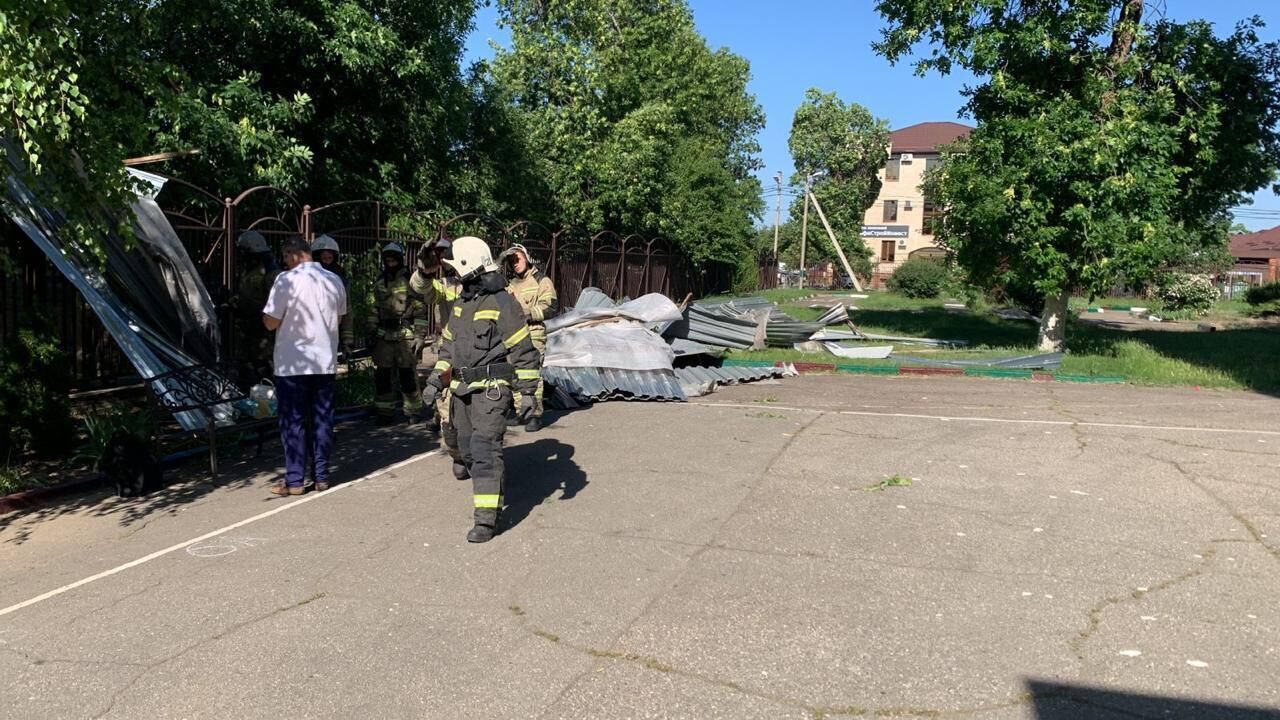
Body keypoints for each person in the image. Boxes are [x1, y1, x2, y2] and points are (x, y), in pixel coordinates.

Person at [421, 236, 541, 543]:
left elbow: (524, 351)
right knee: (464, 446)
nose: (451, 274)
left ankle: (487, 519)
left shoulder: (502, 302)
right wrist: (436, 379)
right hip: (461, 389)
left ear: (468, 265)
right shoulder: (462, 303)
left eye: (454, 267)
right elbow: (447, 350)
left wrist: (527, 392)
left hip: (491, 390)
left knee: (485, 449)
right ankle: (491, 480)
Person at [262, 236, 348, 495]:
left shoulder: (286, 280)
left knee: (293, 421)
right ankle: (321, 476)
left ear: (293, 254)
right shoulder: (334, 280)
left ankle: (295, 481)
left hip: (292, 363)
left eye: (285, 257)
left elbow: (270, 322)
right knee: (322, 419)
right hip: (324, 361)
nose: (284, 262)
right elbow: (340, 318)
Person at [408, 238, 467, 478]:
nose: (443, 259)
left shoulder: (476, 281)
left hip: (478, 350)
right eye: (439, 255)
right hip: (449, 351)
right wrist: (424, 271)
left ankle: (481, 452)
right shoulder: (442, 284)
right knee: (447, 406)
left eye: (447, 254)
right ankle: (457, 454)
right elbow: (422, 289)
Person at [499, 243, 557, 431]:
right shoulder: (511, 285)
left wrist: (527, 313)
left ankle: (535, 414)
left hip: (533, 334)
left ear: (527, 256)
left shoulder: (542, 281)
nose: (514, 264)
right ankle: (520, 411)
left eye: (517, 259)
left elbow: (551, 308)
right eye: (510, 261)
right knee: (514, 374)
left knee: (532, 373)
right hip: (514, 335)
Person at [366, 242, 425, 424]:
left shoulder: (410, 281)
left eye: (393, 259)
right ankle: (385, 412)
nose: (390, 262)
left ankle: (413, 412)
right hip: (384, 337)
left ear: (400, 260)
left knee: (407, 376)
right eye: (387, 259)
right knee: (383, 377)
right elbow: (373, 309)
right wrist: (371, 333)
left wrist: (420, 336)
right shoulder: (379, 282)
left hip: (404, 337)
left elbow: (420, 310)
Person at [231, 230, 279, 385]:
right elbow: (248, 294)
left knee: (263, 372)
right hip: (247, 332)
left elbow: (275, 304)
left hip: (263, 333)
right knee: (247, 372)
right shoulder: (250, 271)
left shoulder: (270, 274)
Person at [311, 234, 354, 360]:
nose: (326, 257)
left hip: (330, 332)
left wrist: (347, 342)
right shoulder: (307, 277)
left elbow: (347, 311)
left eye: (330, 255)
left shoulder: (340, 279)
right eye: (323, 255)